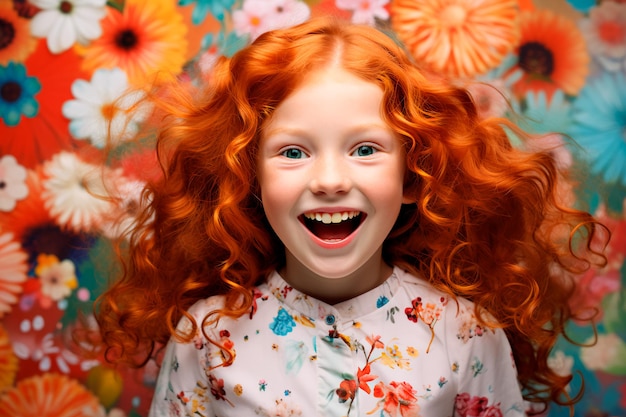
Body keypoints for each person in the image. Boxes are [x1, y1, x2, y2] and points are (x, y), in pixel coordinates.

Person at [95, 17, 607, 417]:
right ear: (250, 180)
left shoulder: (467, 335)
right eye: (293, 153)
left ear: (412, 177)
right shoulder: (205, 338)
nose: (330, 179)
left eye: (364, 148)